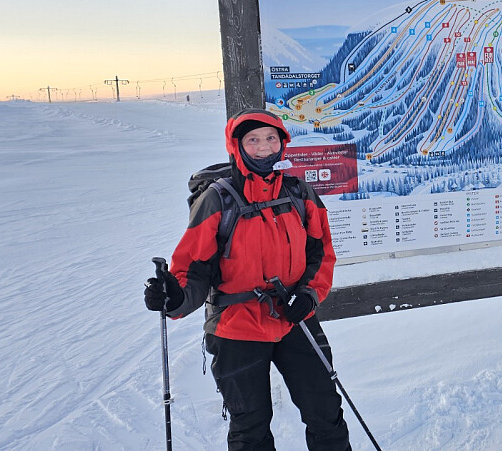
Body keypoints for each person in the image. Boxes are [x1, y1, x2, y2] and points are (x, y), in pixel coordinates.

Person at [144, 108, 350, 450]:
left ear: (282, 143)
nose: (264, 147)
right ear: (236, 145)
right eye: (253, 140)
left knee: (325, 412)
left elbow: (321, 253)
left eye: (271, 138)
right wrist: (175, 297)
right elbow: (193, 270)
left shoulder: (300, 194)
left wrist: (309, 295)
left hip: (293, 319)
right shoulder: (217, 200)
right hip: (236, 327)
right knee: (250, 428)